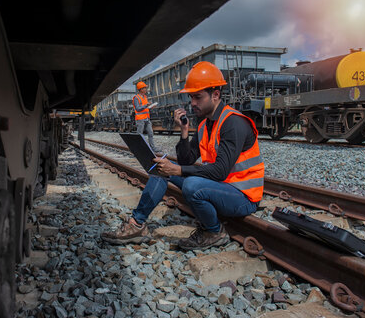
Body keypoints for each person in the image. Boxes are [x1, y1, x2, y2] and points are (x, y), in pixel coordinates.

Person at [102, 61, 264, 250]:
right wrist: (184, 131)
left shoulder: (233, 123)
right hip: (220, 187)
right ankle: (136, 224)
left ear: (216, 95)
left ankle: (213, 232)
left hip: (243, 196)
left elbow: (219, 171)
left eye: (197, 97)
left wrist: (179, 170)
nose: (192, 103)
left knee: (191, 185)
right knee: (161, 168)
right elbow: (187, 161)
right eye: (191, 97)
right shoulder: (206, 124)